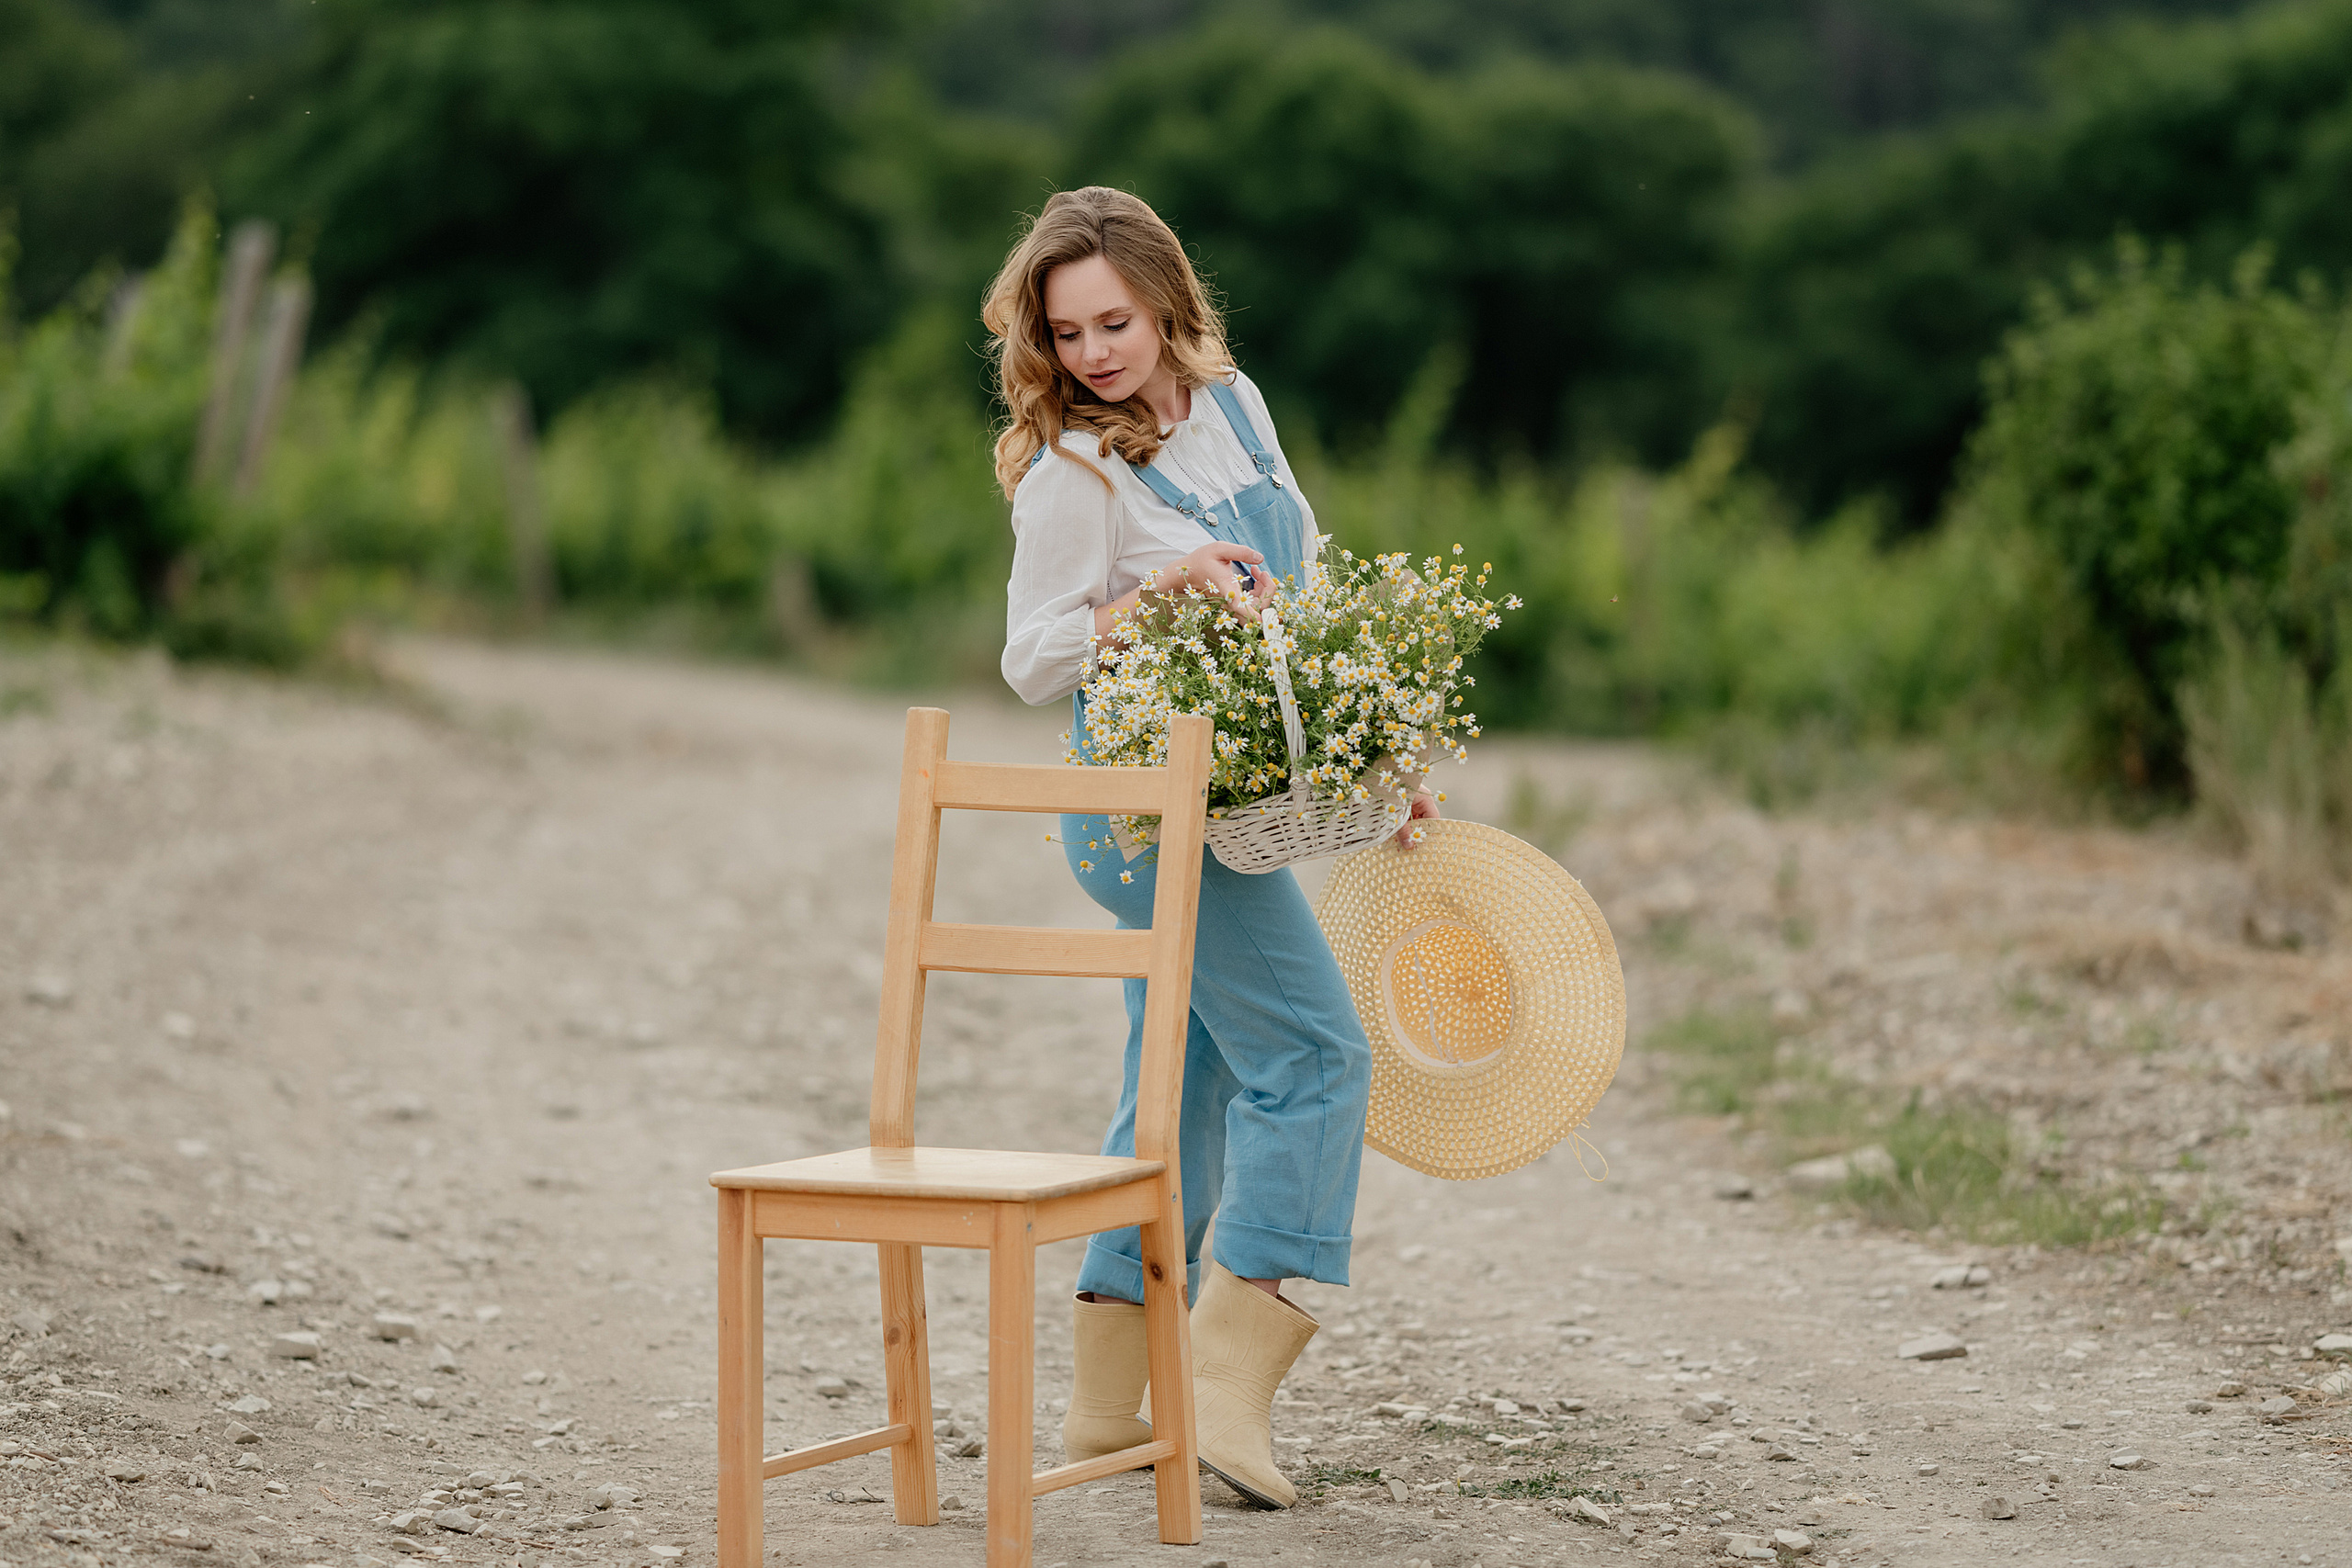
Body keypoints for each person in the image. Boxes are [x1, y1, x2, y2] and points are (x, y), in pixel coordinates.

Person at [982, 186, 1437, 1510]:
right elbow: (1030, 657)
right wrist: (1151, 594)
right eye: (1066, 335)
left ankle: (1102, 1407)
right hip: (1139, 808)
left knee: (1176, 1085)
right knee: (1313, 1055)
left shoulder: (1236, 406)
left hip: (1238, 796)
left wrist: (1380, 747)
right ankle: (1226, 1395)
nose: (1094, 355)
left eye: (1113, 322)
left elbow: (1306, 581)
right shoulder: (1078, 469)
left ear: (1170, 302)